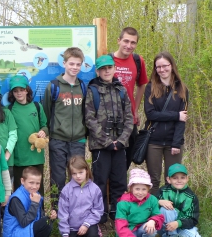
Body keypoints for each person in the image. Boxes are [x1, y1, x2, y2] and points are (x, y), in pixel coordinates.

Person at [85, 55, 134, 224]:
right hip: (100, 146)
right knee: (99, 181)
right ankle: (100, 215)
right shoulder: (92, 91)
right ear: (98, 71)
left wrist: (121, 140)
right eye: (103, 69)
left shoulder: (121, 90)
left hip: (120, 144)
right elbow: (89, 119)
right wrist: (106, 142)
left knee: (119, 180)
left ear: (114, 69)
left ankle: (118, 213)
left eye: (109, 67)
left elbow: (129, 117)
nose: (106, 71)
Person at [43, 47, 87, 199]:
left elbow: (85, 112)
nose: (75, 67)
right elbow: (46, 112)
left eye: (78, 64)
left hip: (78, 141)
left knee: (78, 177)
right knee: (58, 178)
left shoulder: (82, 87)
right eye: (71, 64)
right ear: (64, 63)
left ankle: (78, 211)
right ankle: (57, 213)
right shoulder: (54, 86)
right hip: (58, 140)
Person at [144, 51, 189, 195]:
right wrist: (175, 115)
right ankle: (154, 212)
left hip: (173, 142)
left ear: (172, 66)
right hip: (153, 141)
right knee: (154, 179)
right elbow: (151, 114)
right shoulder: (150, 87)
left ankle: (171, 211)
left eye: (165, 66)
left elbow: (183, 119)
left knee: (173, 179)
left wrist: (176, 143)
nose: (162, 70)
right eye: (158, 67)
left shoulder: (182, 88)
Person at [110, 27, 149, 169]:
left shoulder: (138, 61)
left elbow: (142, 84)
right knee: (110, 156)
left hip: (129, 117)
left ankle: (121, 187)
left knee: (128, 153)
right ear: (119, 41)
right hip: (110, 117)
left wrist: (136, 109)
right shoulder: (108, 60)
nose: (129, 45)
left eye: (133, 42)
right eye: (126, 41)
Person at [8, 75, 48, 195]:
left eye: (21, 90)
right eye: (15, 91)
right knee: (21, 192)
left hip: (36, 156)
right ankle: (20, 214)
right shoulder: (9, 109)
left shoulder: (37, 106)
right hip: (19, 158)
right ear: (12, 93)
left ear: (27, 90)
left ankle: (39, 212)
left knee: (37, 190)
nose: (19, 93)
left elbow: (45, 125)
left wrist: (44, 131)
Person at [3, 166, 57, 237]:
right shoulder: (16, 198)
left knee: (48, 221)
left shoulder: (36, 195)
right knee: (46, 223)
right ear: (22, 181)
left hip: (25, 232)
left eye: (37, 183)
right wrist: (35, 204)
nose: (34, 186)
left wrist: (51, 217)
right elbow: (24, 222)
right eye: (31, 183)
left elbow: (38, 218)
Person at [57, 156, 103, 237]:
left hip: (88, 224)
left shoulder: (94, 189)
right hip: (73, 227)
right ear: (70, 174)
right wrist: (65, 233)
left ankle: (93, 234)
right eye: (74, 173)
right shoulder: (66, 190)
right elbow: (63, 213)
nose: (78, 176)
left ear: (86, 170)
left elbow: (98, 209)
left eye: (80, 172)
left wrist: (86, 224)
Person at [115, 169, 164, 237]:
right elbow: (120, 225)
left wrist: (152, 220)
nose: (140, 193)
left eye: (144, 189)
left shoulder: (152, 199)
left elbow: (158, 215)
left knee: (152, 229)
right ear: (131, 188)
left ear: (148, 189)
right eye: (137, 189)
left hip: (142, 228)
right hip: (128, 230)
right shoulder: (123, 203)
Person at [157, 163, 202, 237]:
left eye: (182, 177)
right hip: (165, 225)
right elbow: (149, 204)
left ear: (187, 178)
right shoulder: (163, 190)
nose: (179, 180)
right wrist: (159, 201)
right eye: (175, 178)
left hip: (181, 225)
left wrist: (178, 223)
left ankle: (176, 234)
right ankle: (171, 236)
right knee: (167, 209)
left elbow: (193, 219)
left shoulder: (191, 196)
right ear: (168, 179)